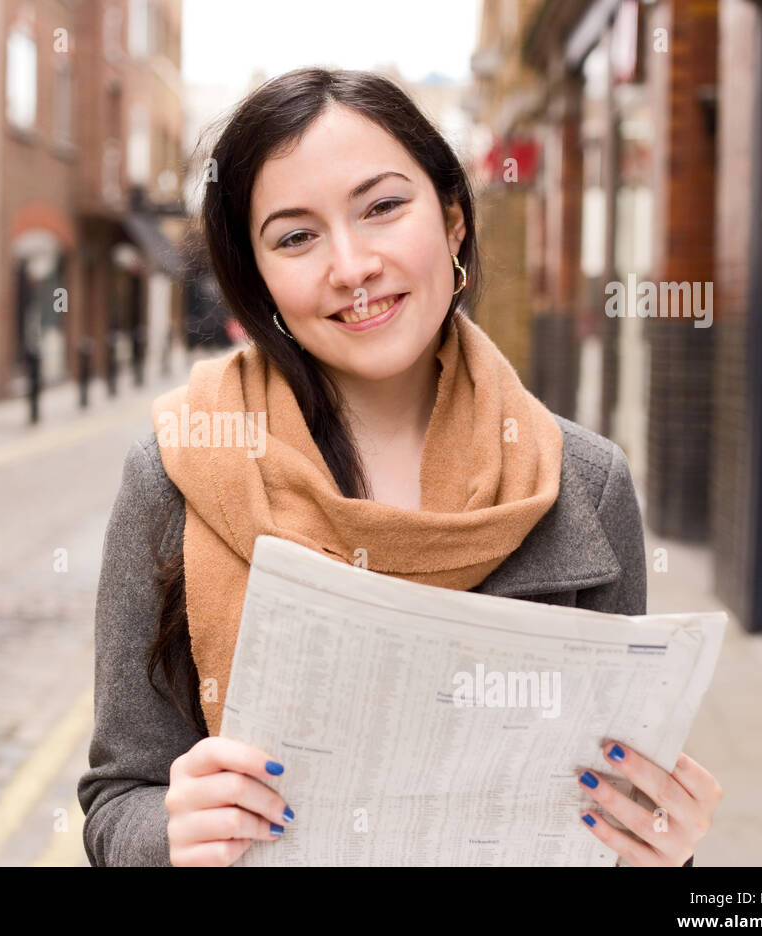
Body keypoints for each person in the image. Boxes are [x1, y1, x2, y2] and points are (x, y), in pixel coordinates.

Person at [78, 67, 722, 867]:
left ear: (452, 221)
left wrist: (662, 849)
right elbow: (118, 801)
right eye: (296, 236)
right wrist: (171, 832)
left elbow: (609, 818)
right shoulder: (174, 473)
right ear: (260, 280)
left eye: (383, 207)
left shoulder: (583, 485)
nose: (351, 266)